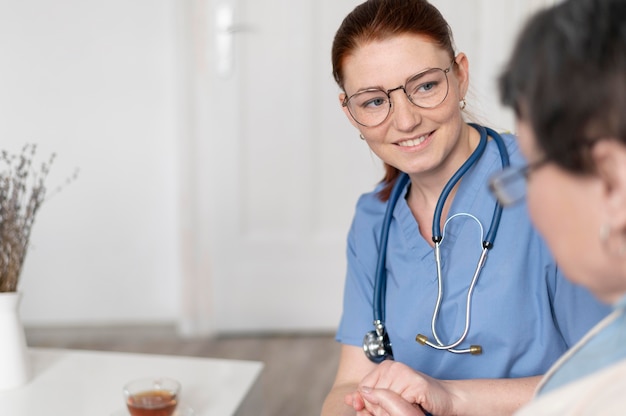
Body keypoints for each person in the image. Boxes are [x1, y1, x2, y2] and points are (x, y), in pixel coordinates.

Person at [321, 0, 611, 415]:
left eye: (424, 86)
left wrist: (452, 398)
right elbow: (349, 383)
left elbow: (609, 380)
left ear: (459, 75)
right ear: (350, 112)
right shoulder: (374, 219)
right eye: (373, 101)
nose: (404, 121)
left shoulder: (556, 186)